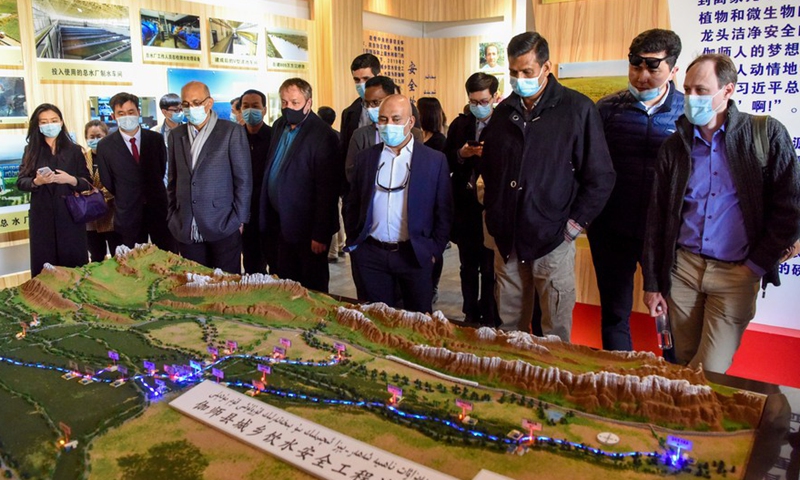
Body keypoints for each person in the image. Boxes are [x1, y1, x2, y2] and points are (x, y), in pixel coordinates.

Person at [642, 53, 800, 373]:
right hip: (683, 269)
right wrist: (653, 281)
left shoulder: (765, 135)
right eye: (687, 90)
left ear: (727, 91)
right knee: (680, 363)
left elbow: (792, 206)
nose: (691, 98)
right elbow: (657, 217)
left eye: (701, 90)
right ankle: (681, 423)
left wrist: (755, 266)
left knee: (710, 369)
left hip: (736, 273)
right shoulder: (675, 147)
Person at [480, 32, 615, 341]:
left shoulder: (577, 109)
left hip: (553, 240)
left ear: (546, 67)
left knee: (554, 332)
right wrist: (494, 215)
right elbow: (490, 170)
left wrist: (572, 226)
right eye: (514, 72)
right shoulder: (502, 114)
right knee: (508, 330)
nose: (519, 79)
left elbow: (601, 176)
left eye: (527, 71)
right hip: (508, 242)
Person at [588, 29, 684, 352]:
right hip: (612, 229)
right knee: (615, 313)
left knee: (671, 315)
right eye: (635, 65)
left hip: (665, 235)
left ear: (673, 69)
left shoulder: (688, 114)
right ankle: (618, 386)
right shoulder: (607, 109)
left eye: (653, 67)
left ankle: (673, 384)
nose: (642, 76)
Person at [344, 94, 453, 313]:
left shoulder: (433, 160)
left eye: (396, 119)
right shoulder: (366, 158)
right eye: (383, 120)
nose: (388, 126)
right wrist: (358, 244)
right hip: (372, 254)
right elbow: (352, 203)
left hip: (414, 255)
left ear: (410, 122)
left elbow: (444, 211)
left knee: (417, 322)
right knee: (378, 320)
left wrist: (434, 249)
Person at [260, 78, 340, 292]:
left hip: (308, 229)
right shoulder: (279, 126)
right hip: (280, 222)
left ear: (308, 103)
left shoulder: (324, 135)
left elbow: (327, 190)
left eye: (295, 103)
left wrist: (320, 234)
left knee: (313, 287)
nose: (289, 108)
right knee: (286, 283)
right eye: (284, 103)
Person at [167, 81, 252, 273]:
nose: (191, 108)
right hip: (186, 225)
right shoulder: (176, 135)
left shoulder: (231, 132)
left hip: (223, 223)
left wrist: (239, 219)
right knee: (196, 286)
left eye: (196, 102)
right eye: (186, 104)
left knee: (227, 287)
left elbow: (243, 180)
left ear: (209, 103)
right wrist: (172, 215)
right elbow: (173, 180)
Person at [445, 72, 500, 326]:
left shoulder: (505, 125)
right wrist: (462, 153)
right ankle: (470, 311)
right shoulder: (460, 125)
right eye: (473, 101)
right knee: (468, 265)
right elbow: (446, 159)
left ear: (495, 97)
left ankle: (489, 313)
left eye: (483, 101)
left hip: (493, 206)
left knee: (490, 268)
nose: (478, 107)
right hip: (466, 206)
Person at [17, 104, 92, 277]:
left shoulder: (74, 150)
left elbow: (87, 182)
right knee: (45, 266)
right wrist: (37, 181)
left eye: (53, 120)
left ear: (61, 122)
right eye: (44, 122)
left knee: (73, 266)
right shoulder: (31, 151)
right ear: (38, 125)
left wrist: (71, 179)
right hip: (42, 217)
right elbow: (21, 182)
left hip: (70, 215)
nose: (49, 125)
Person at [97, 92, 175, 252]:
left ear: (138, 112)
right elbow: (108, 180)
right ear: (113, 116)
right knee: (132, 262)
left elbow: (161, 169)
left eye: (131, 112)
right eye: (121, 113)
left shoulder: (155, 139)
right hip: (128, 212)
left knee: (167, 255)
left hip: (158, 209)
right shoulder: (105, 146)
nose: (127, 116)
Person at [416, 97, 447, 303]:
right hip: (416, 197)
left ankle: (433, 284)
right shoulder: (415, 136)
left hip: (431, 198)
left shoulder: (439, 141)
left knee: (433, 247)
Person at [239, 89, 272, 274]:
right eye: (246, 106)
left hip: (269, 211)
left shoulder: (275, 136)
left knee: (276, 262)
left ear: (264, 109)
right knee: (252, 264)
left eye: (255, 106)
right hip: (245, 214)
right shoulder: (234, 137)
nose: (250, 110)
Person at [83, 120, 120, 262]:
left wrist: (99, 195)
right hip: (90, 217)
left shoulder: (115, 156)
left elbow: (119, 182)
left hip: (112, 214)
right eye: (91, 137)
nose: (95, 140)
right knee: (96, 256)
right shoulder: (82, 158)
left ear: (106, 136)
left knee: (117, 255)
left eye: (99, 136)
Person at [317, 105, 345, 263]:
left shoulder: (324, 137)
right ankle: (340, 245)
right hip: (338, 183)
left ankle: (332, 251)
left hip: (329, 183)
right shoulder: (338, 135)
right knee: (338, 214)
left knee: (331, 215)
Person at [340, 53, 382, 157]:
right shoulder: (348, 113)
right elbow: (345, 151)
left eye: (366, 79)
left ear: (379, 77)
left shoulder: (403, 108)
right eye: (357, 80)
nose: (361, 84)